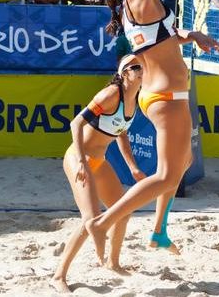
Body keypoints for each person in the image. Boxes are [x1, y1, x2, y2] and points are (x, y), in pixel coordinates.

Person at [84, 0, 219, 263]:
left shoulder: (134, 4)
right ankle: (103, 222)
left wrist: (194, 36)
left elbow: (163, 36)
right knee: (165, 175)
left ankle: (159, 230)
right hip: (165, 95)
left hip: (162, 94)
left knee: (181, 162)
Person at [50, 54, 148, 293]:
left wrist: (133, 167)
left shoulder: (135, 99)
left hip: (99, 161)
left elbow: (121, 133)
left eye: (143, 67)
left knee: (123, 211)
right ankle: (58, 276)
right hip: (78, 159)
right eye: (137, 67)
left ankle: (112, 263)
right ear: (124, 72)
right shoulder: (110, 95)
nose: (142, 71)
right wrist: (82, 162)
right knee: (91, 220)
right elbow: (75, 123)